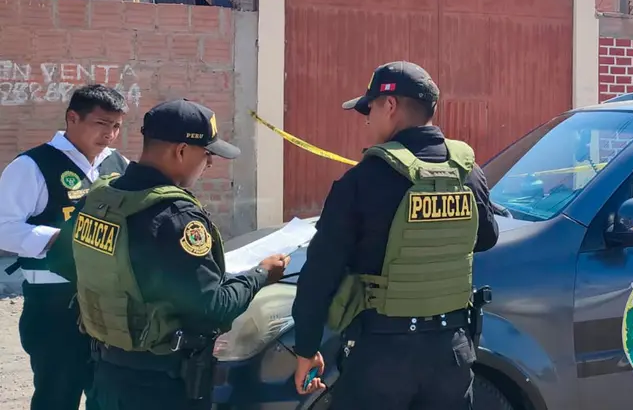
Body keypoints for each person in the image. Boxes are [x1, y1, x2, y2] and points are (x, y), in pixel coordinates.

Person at [47, 98, 290, 410]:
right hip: (161, 384)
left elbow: (62, 261)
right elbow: (213, 306)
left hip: (106, 372)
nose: (209, 165)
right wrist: (261, 274)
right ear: (181, 151)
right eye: (207, 155)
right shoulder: (174, 216)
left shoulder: (102, 198)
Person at [291, 60, 501, 409]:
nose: (367, 119)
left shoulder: (362, 180)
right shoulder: (468, 171)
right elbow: (487, 237)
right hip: (451, 353)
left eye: (369, 108)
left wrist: (306, 348)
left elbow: (320, 273)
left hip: (381, 356)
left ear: (390, 105)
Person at [0, 84, 130, 410]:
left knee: (108, 394)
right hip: (55, 303)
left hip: (107, 303)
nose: (110, 135)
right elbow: (4, 228)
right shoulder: (32, 166)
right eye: (102, 124)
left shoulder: (118, 165)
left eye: (116, 126)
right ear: (73, 118)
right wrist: (62, 240)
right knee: (58, 393)